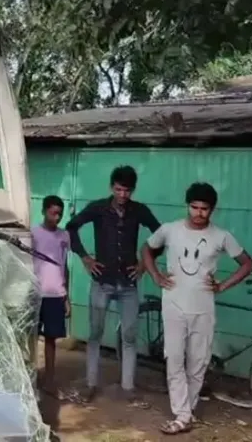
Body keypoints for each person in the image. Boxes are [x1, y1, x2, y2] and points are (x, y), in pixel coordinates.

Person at [141, 182, 252, 435]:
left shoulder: (221, 236)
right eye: (195, 207)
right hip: (173, 306)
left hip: (203, 308)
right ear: (188, 205)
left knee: (198, 363)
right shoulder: (169, 230)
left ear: (212, 210)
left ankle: (185, 413)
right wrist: (157, 276)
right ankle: (183, 414)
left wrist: (223, 286)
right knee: (174, 360)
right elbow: (147, 249)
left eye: (205, 209)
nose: (199, 213)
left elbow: (247, 264)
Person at [65, 165, 160, 406]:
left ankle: (128, 388)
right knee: (95, 335)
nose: (122, 195)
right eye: (118, 190)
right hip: (102, 283)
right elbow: (71, 227)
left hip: (129, 285)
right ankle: (90, 385)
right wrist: (85, 258)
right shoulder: (98, 208)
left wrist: (143, 264)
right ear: (111, 187)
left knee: (129, 337)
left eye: (127, 191)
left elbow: (160, 235)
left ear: (133, 190)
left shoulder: (139, 211)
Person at [32, 195, 71, 396]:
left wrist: (67, 297)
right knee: (30, 338)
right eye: (53, 213)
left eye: (60, 214)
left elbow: (65, 266)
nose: (56, 217)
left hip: (56, 294)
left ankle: (49, 381)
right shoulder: (33, 233)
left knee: (51, 339)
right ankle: (29, 379)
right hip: (36, 293)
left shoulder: (64, 236)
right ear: (44, 211)